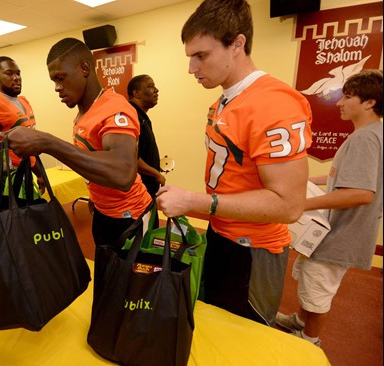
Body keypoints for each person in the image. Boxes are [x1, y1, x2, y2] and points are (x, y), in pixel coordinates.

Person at [156, 0, 313, 326]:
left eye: (202, 55)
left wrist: (195, 201)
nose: (192, 68)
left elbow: (289, 205)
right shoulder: (223, 101)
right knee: (214, 325)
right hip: (221, 234)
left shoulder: (273, 104)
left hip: (253, 249)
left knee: (246, 339)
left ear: (237, 44)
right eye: (190, 57)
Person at [0, 37, 152, 248]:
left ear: (85, 68)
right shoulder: (85, 112)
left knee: (126, 280)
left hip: (130, 216)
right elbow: (95, 159)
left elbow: (123, 173)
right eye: (54, 81)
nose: (57, 87)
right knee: (105, 278)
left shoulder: (115, 108)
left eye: (61, 78)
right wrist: (96, 196)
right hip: (103, 210)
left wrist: (47, 142)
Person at [276, 70, 383, 347]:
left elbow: (361, 192)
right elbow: (355, 175)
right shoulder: (374, 133)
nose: (339, 102)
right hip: (348, 230)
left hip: (342, 233)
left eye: (347, 97)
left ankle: (309, 340)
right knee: (310, 279)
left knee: (318, 288)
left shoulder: (365, 139)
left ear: (369, 102)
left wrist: (302, 203)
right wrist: (313, 180)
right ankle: (301, 322)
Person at [0, 56, 43, 191]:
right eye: (9, 73)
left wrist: (39, 174)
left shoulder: (23, 101)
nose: (16, 77)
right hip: (6, 180)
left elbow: (30, 146)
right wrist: (0, 189)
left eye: (18, 73)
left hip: (24, 174)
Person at [127, 75, 165, 198]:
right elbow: (130, 157)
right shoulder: (131, 116)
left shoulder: (141, 116)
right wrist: (156, 174)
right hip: (138, 193)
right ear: (136, 93)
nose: (156, 90)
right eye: (150, 86)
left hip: (147, 190)